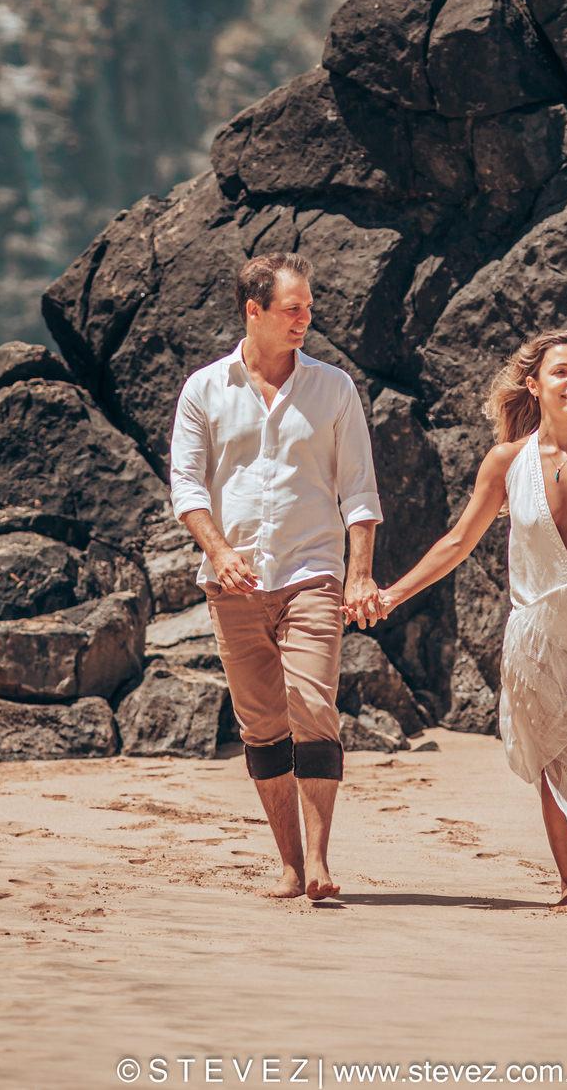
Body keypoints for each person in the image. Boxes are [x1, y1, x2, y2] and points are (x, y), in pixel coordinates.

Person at [374, 328, 567, 922]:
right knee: (556, 756)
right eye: (562, 372)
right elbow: (459, 541)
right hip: (538, 637)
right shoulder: (506, 462)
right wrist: (393, 595)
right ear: (534, 384)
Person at [169, 252, 383, 901]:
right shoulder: (204, 389)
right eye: (293, 308)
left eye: (309, 308)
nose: (305, 319)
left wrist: (359, 577)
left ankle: (319, 860)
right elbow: (186, 487)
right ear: (253, 311)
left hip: (313, 574)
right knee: (261, 724)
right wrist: (219, 551)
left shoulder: (334, 388)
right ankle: (289, 864)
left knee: (314, 706)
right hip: (231, 585)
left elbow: (360, 491)